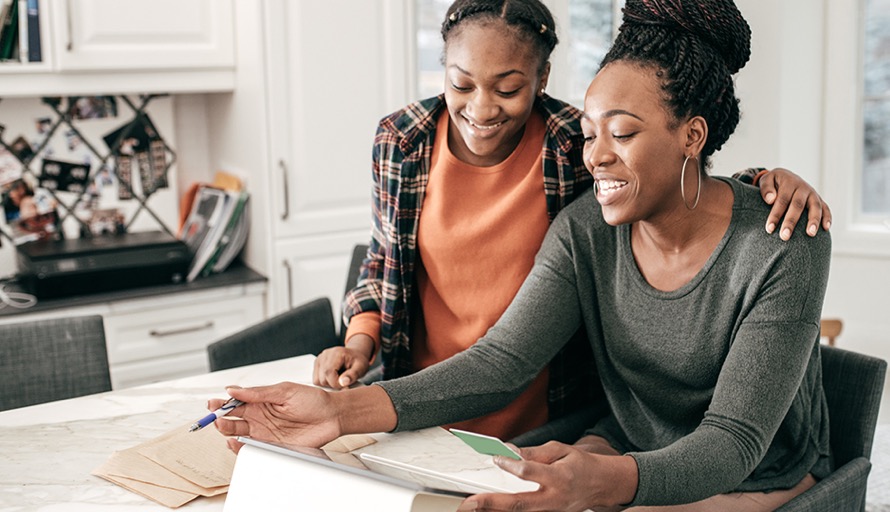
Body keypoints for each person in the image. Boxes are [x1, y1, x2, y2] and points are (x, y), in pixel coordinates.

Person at [215, 0, 832, 509]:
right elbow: (501, 361)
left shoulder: (784, 242)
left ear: (691, 135)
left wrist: (601, 484)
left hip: (756, 470)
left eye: (621, 133)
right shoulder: (586, 228)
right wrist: (337, 411)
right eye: (590, 134)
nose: (594, 157)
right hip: (630, 439)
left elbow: (732, 442)